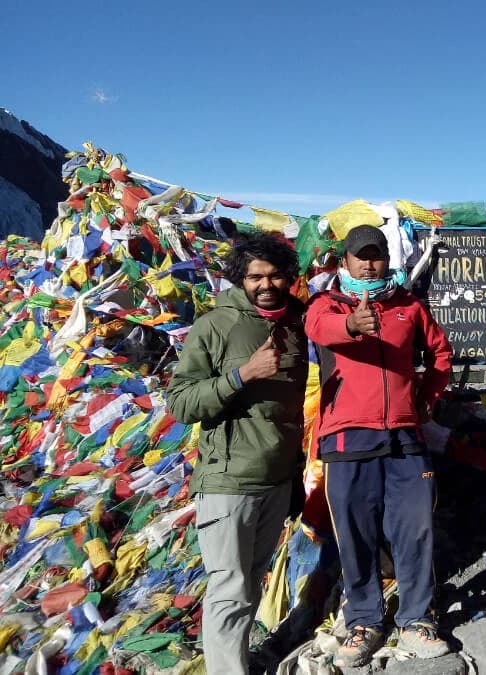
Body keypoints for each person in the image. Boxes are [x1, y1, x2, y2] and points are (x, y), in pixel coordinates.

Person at [306, 224, 453, 668]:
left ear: (387, 260)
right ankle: (364, 620)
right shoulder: (326, 304)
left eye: (376, 256)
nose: (369, 263)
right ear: (344, 261)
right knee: (355, 533)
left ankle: (416, 618)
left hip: (406, 437)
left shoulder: (409, 306)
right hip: (348, 437)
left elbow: (440, 354)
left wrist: (424, 398)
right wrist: (352, 323)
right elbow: (320, 329)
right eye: (360, 256)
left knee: (415, 530)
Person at [166, 233, 309, 675]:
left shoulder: (297, 322)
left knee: (249, 584)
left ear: (289, 278)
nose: (266, 285)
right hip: (229, 481)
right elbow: (181, 403)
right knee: (230, 588)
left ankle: (237, 662)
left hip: (277, 477)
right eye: (255, 277)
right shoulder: (216, 326)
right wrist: (241, 375)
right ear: (239, 279)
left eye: (275, 275)